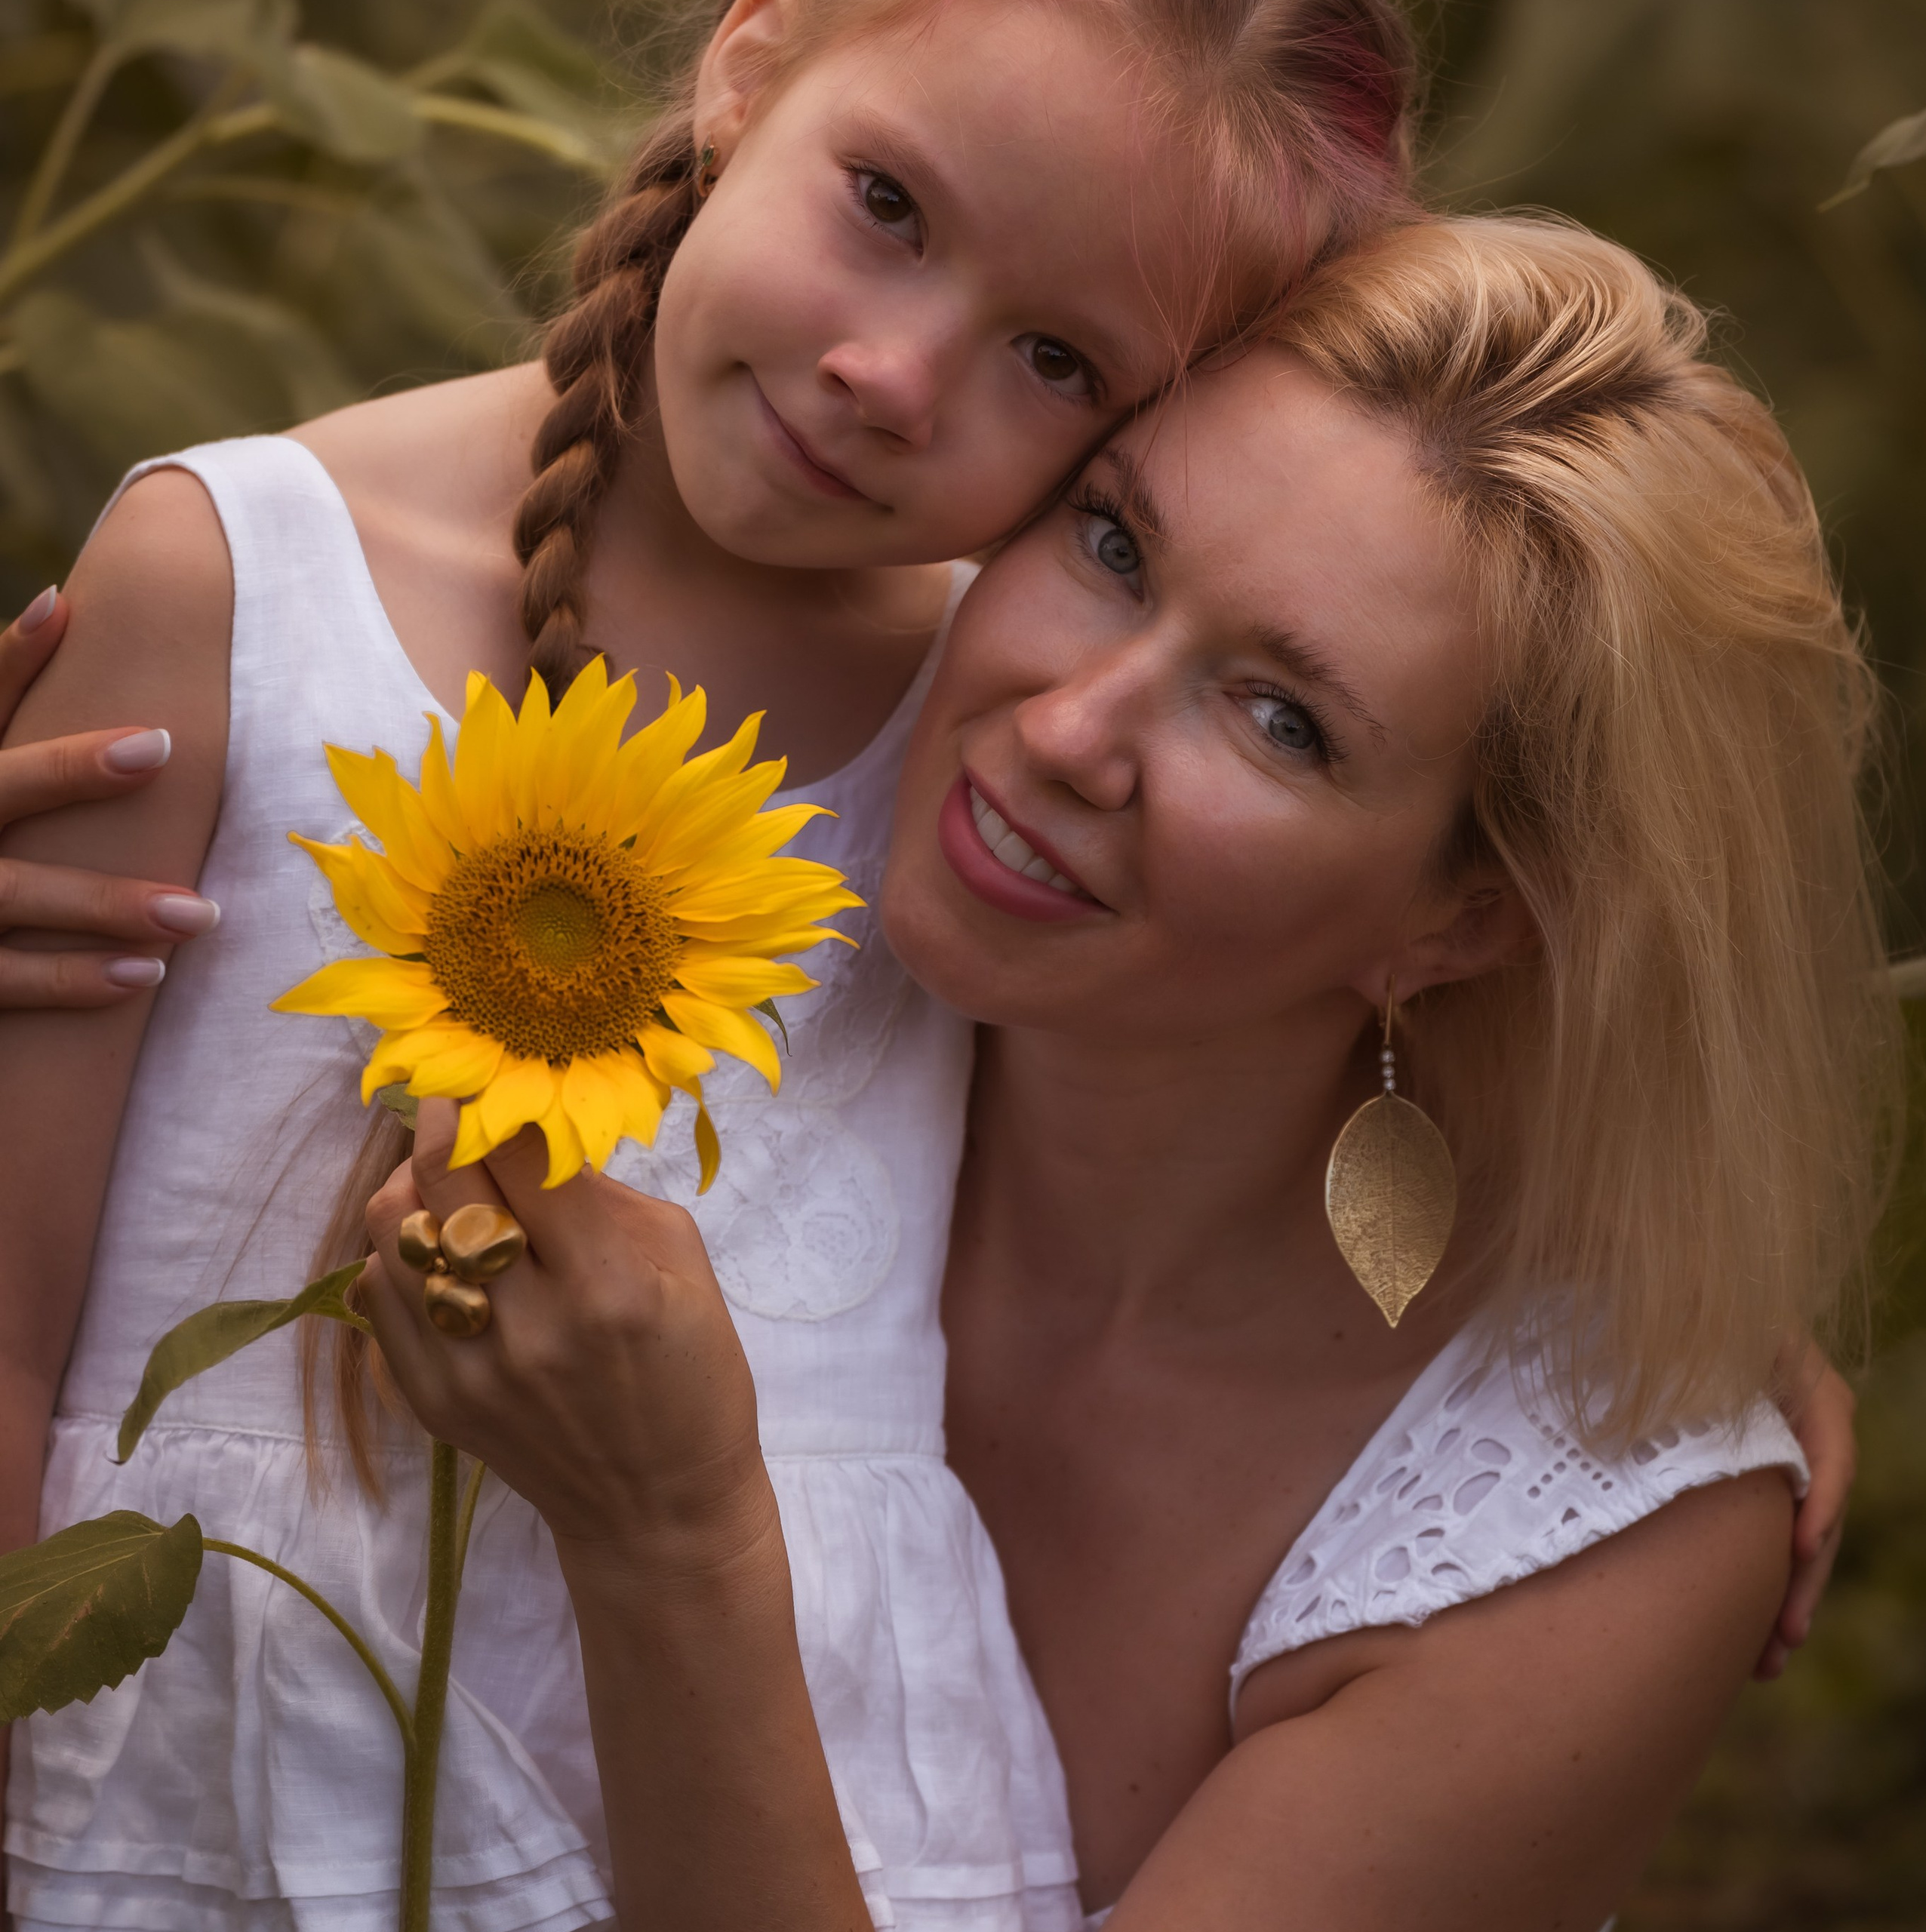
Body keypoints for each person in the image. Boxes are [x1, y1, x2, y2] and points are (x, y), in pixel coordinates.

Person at [0, 0, 1423, 1925]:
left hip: (787, 1813)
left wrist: (1681, 1341)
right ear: (748, 66)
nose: (889, 376)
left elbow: (1317, 1037)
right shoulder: (232, 578)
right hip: (193, 1776)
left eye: (1054, 356)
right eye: (888, 205)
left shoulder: (995, 724)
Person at [351, 213, 1900, 1931]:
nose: (1066, 729)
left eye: (1280, 718)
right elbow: (436, 531)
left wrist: (671, 1544)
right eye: (1109, 542)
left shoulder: (1578, 1547)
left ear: (1468, 920)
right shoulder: (770, 832)